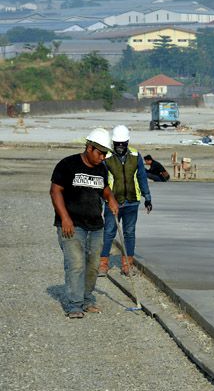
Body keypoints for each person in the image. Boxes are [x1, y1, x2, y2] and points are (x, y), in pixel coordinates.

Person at [50, 128, 119, 318]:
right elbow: (55, 191)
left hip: (96, 225)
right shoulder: (68, 165)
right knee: (76, 264)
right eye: (100, 153)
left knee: (93, 265)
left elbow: (104, 188)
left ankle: (87, 299)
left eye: (105, 154)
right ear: (89, 148)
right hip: (72, 224)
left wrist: (111, 199)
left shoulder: (101, 168)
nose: (103, 157)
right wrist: (65, 218)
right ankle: (74, 305)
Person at [99, 125, 152, 277]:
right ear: (113, 143)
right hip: (112, 202)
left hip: (132, 202)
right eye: (117, 144)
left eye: (123, 143)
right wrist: (102, 201)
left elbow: (142, 177)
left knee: (129, 233)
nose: (120, 146)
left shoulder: (136, 156)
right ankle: (103, 264)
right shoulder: (106, 158)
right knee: (109, 232)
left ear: (127, 141)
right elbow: (102, 181)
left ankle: (127, 265)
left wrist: (147, 197)